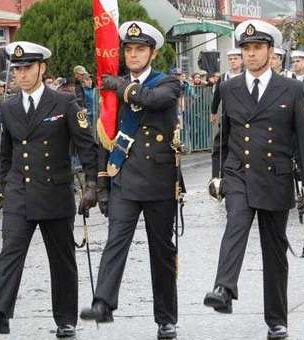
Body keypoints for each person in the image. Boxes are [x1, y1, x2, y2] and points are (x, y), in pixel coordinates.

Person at [0, 41, 97, 337]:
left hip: (54, 191)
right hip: (20, 192)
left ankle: (65, 319)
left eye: (27, 68)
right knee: (10, 251)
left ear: (42, 68)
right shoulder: (9, 106)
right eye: (17, 70)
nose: (21, 75)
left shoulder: (64, 103)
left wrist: (93, 184)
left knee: (61, 258)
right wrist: (4, 186)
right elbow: (5, 152)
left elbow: (86, 145)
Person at [203, 19, 304, 340]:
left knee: (274, 250)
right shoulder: (228, 88)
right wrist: (217, 176)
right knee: (235, 223)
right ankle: (223, 288)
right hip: (239, 172)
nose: (251, 55)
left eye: (257, 48)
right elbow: (222, 138)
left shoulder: (292, 89)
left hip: (275, 177)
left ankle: (277, 320)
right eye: (246, 49)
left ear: (271, 52)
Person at [79, 20, 182, 340]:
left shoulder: (168, 83)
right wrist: (100, 184)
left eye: (140, 49)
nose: (133, 54)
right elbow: (105, 139)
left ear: (152, 53)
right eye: (129, 49)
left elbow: (153, 101)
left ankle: (166, 318)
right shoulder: (115, 86)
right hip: (123, 178)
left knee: (161, 252)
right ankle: (103, 303)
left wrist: (119, 87)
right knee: (115, 242)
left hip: (159, 181)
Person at [210, 48, 243, 125]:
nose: (232, 61)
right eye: (230, 59)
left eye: (235, 58)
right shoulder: (223, 78)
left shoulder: (248, 77)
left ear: (242, 60)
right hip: (227, 116)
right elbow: (216, 96)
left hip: (244, 116)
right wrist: (213, 112)